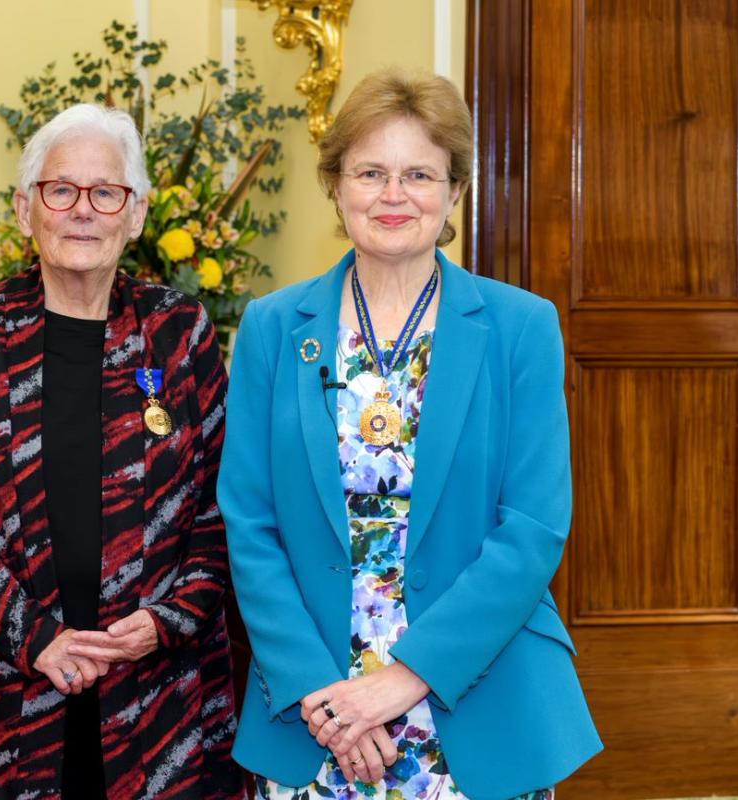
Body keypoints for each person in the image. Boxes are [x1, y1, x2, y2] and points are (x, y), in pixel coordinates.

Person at [218, 69, 602, 800]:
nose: (393, 196)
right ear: (336, 185)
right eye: (370, 172)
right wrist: (328, 697)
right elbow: (249, 522)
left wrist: (399, 683)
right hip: (316, 709)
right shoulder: (273, 327)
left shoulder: (521, 327)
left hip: (475, 696)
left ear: (455, 191)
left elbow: (532, 528)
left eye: (419, 174)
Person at [0, 103, 242, 799]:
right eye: (61, 190)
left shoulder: (178, 332)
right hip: (3, 691)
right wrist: (33, 637)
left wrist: (167, 621)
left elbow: (225, 503)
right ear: (26, 211)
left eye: (106, 192)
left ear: (137, 212)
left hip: (158, 695)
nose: (82, 210)